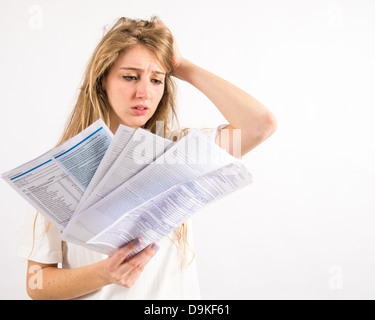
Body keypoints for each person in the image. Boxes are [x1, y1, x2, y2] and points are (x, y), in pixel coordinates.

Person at [19, 17, 277, 300]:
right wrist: (104, 273)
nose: (144, 92)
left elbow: (260, 124)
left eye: (156, 79)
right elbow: (37, 283)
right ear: (102, 80)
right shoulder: (62, 169)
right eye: (130, 76)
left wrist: (181, 66)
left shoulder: (179, 150)